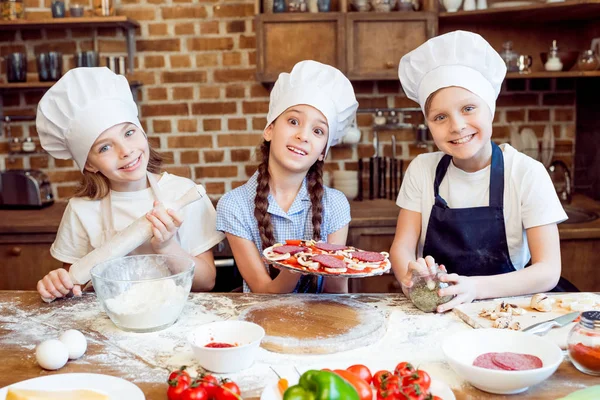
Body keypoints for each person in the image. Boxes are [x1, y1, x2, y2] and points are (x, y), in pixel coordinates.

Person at [391, 31, 567, 312]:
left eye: (469, 108)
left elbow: (548, 270)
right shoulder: (421, 170)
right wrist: (411, 277)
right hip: (440, 307)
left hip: (505, 311)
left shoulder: (525, 173)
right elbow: (401, 248)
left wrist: (475, 288)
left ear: (491, 109)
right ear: (428, 125)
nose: (457, 125)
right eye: (440, 117)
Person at [35, 67, 224, 302]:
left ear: (142, 132)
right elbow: (76, 287)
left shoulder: (183, 192)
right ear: (89, 164)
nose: (125, 151)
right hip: (111, 324)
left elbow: (207, 282)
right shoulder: (81, 210)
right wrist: (57, 284)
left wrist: (166, 247)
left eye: (129, 133)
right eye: (104, 147)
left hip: (177, 321)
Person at [216, 60, 358, 293]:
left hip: (322, 324)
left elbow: (335, 295)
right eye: (293, 121)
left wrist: (341, 267)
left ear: (323, 151)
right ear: (269, 129)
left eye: (318, 131)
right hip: (263, 324)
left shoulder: (335, 205)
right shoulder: (234, 206)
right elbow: (263, 292)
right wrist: (294, 264)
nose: (303, 135)